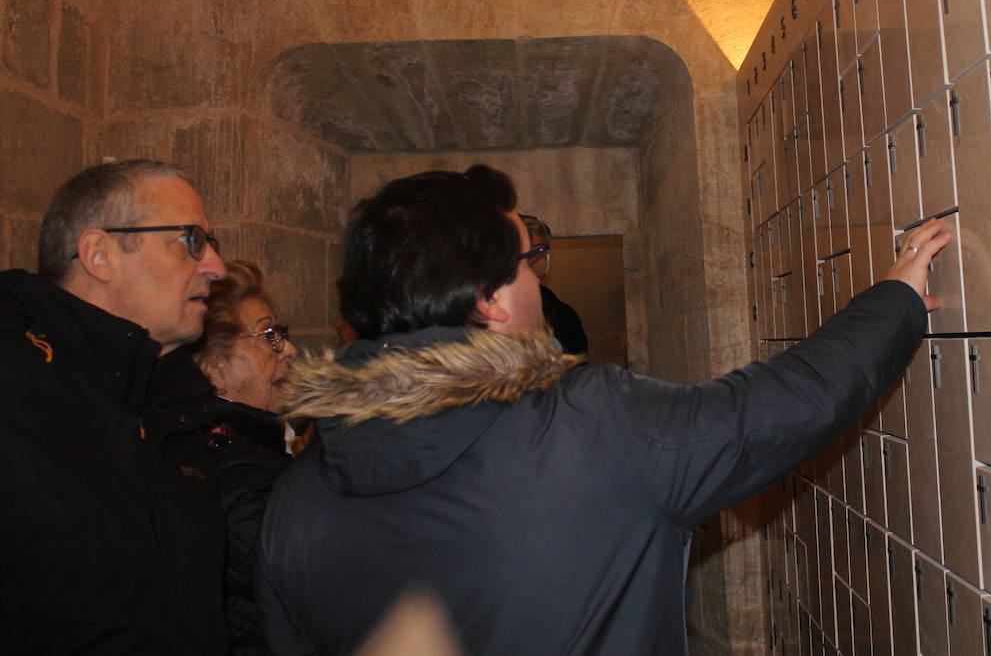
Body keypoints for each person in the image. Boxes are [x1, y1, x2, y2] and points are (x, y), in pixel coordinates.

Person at [256, 165, 949, 655]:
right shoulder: (588, 422)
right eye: (529, 263)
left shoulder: (293, 502)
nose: (540, 276)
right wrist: (897, 298)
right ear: (491, 301)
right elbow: (776, 408)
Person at [0, 159, 229, 654]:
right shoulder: (15, 393)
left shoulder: (172, 400)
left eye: (211, 244)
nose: (216, 266)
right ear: (99, 255)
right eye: (190, 240)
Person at [144, 260, 296, 656]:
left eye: (281, 333)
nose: (290, 349)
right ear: (214, 372)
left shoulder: (240, 451)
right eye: (269, 336)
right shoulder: (237, 479)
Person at [519, 213, 588, 353]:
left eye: (541, 251)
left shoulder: (561, 313)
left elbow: (576, 362)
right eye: (530, 252)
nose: (537, 259)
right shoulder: (482, 309)